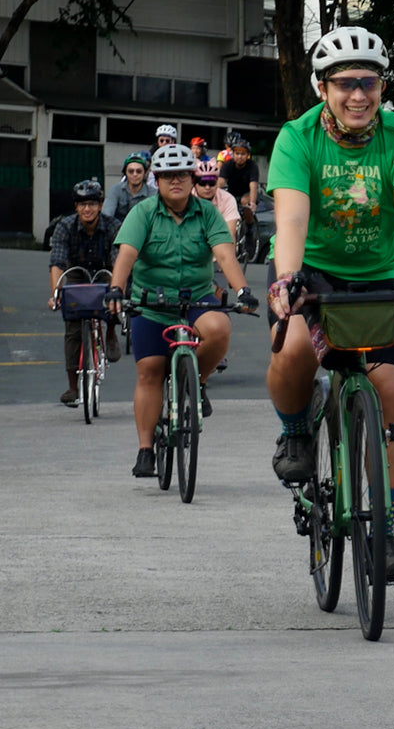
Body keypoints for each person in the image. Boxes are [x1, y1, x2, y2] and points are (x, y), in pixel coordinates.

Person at [264, 25, 394, 580]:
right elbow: (292, 215)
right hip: (315, 273)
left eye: (368, 83)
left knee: (388, 390)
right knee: (295, 352)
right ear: (324, 87)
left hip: (375, 279)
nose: (358, 96)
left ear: (382, 86)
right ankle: (296, 430)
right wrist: (287, 278)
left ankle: (384, 527)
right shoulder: (297, 138)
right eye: (345, 84)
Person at [106, 143, 256, 479]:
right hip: (152, 303)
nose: (176, 181)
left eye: (183, 175)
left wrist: (243, 290)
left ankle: (197, 383)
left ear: (193, 179)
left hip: (196, 299)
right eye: (168, 176)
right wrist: (117, 287)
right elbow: (127, 254)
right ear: (156, 180)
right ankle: (146, 448)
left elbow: (225, 255)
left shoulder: (207, 214)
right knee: (150, 371)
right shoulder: (143, 212)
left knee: (219, 328)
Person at [47, 179, 123, 405]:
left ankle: (110, 332)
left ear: (100, 205)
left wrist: (116, 290)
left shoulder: (113, 226)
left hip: (105, 271)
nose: (87, 209)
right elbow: (57, 263)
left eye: (91, 204)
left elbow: (118, 260)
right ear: (76, 207)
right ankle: (73, 387)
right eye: (81, 204)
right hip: (76, 274)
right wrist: (55, 295)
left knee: (113, 299)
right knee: (72, 329)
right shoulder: (64, 226)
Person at [218, 131, 261, 256]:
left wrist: (252, 203)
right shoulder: (227, 165)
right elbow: (220, 183)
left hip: (247, 194)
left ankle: (249, 229)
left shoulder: (252, 166)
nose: (239, 156)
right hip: (232, 194)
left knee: (245, 202)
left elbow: (253, 186)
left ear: (247, 155)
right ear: (233, 154)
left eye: (243, 154)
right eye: (237, 153)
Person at [103, 152, 156, 221]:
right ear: (125, 173)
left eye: (139, 171)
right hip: (118, 229)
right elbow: (106, 217)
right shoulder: (115, 190)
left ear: (145, 173)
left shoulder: (153, 193)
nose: (135, 174)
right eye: (131, 171)